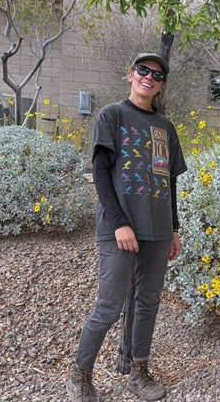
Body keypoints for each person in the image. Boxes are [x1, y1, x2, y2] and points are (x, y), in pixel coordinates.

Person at [67, 53, 187, 402]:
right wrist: (119, 223)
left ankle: (138, 371)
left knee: (148, 303)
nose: (148, 77)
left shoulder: (165, 127)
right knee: (109, 304)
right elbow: (101, 173)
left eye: (156, 74)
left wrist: (174, 229)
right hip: (120, 228)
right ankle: (80, 374)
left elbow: (169, 183)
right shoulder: (112, 115)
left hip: (159, 229)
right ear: (130, 74)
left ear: (162, 86)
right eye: (142, 70)